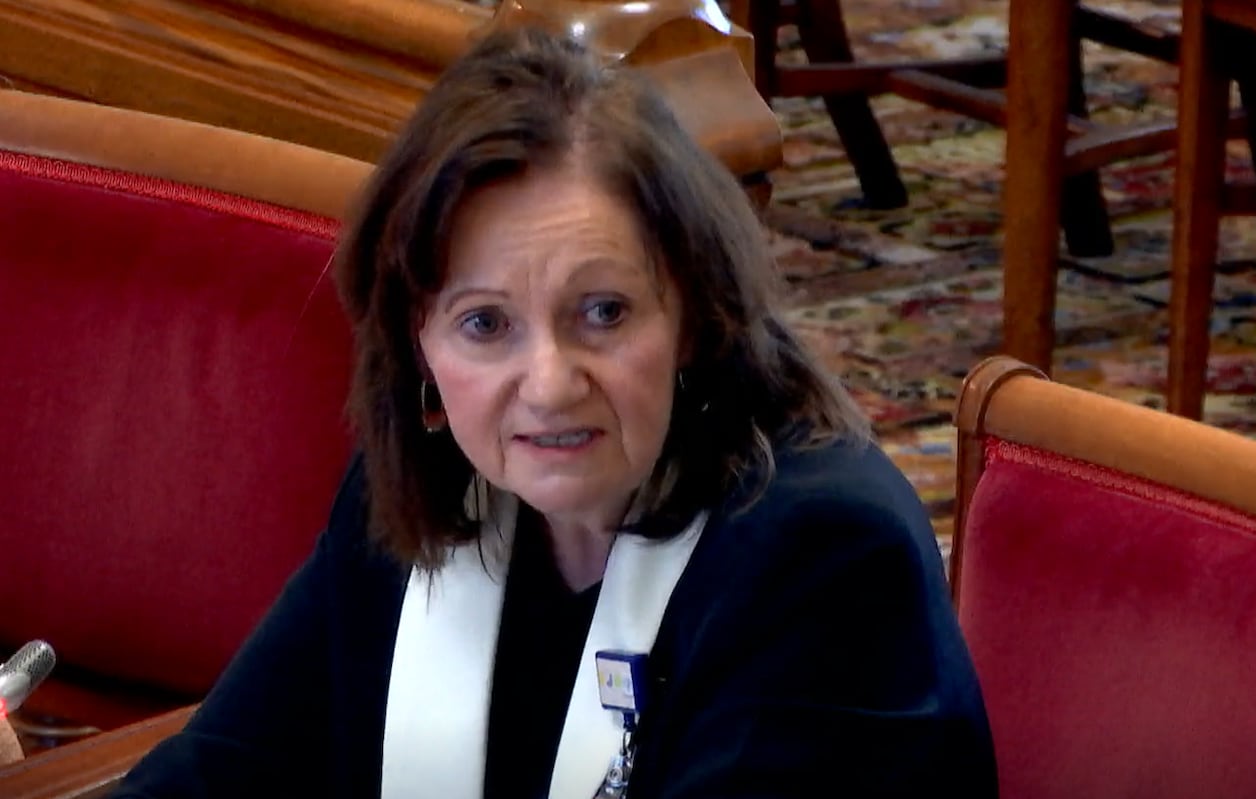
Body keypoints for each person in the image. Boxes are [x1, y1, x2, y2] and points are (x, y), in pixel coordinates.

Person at [115, 25, 996, 798]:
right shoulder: (421, 489)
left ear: (691, 313)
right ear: (418, 341)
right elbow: (222, 770)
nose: (548, 384)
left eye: (603, 312)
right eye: (485, 324)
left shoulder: (823, 557)